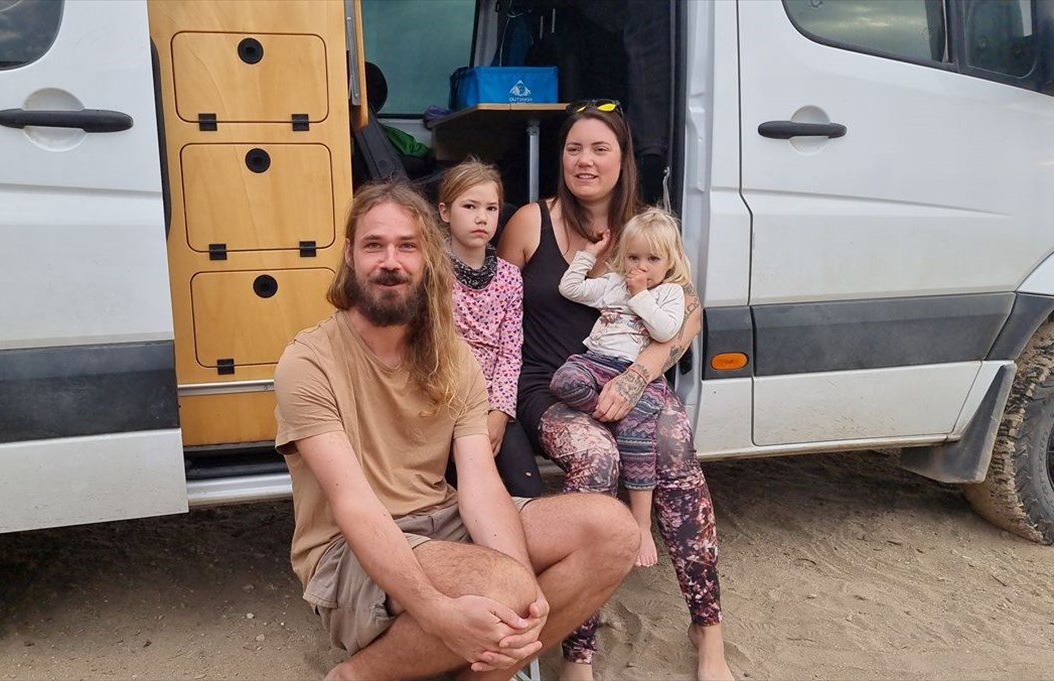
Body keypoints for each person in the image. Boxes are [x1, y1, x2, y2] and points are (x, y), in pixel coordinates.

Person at [274, 180, 640, 681]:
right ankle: (357, 675)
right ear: (349, 256)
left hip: (442, 519)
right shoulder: (309, 361)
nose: (390, 262)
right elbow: (354, 505)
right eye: (374, 245)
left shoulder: (453, 356)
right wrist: (437, 611)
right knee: (504, 586)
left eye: (407, 246)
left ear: (429, 259)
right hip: (345, 551)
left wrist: (529, 597)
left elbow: (480, 483)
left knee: (613, 531)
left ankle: (484, 672)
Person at [497, 102, 735, 681]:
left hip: (630, 380)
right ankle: (578, 650)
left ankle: (708, 628)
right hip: (551, 386)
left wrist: (640, 374)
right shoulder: (531, 221)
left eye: (600, 149)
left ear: (623, 159)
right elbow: (495, 315)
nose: (585, 160)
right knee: (597, 455)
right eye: (574, 148)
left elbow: (690, 310)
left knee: (674, 441)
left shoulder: (647, 229)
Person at [552, 207, 692, 567]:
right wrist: (589, 255)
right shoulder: (614, 282)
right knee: (564, 380)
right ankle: (608, 412)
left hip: (637, 373)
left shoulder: (670, 293)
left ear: (670, 261)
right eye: (633, 257)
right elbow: (570, 288)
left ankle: (642, 524)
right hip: (596, 362)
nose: (641, 266)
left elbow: (665, 331)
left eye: (652, 259)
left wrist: (640, 294)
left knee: (637, 442)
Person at [437, 159, 542, 497]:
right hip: (442, 403)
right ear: (445, 212)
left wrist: (499, 412)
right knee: (456, 492)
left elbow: (511, 352)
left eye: (491, 208)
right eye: (470, 206)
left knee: (527, 486)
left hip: (492, 402)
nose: (481, 217)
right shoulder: (431, 272)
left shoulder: (509, 277)